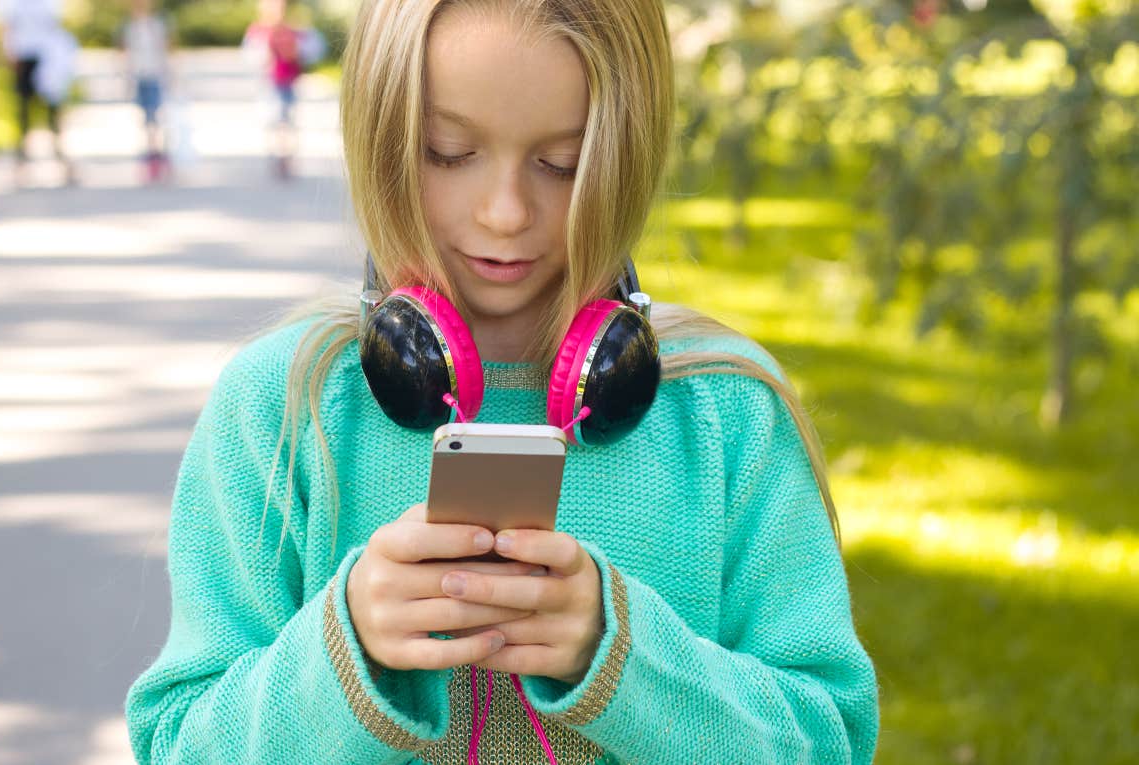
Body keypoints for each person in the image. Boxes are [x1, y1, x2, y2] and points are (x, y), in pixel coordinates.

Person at [125, 1, 879, 763]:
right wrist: (344, 651)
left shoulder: (726, 411)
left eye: (562, 162)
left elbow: (831, 739)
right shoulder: (283, 407)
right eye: (449, 151)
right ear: (382, 135)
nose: (506, 211)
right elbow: (179, 742)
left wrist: (620, 658)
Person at [0, 0, 75, 185]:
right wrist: (8, 53)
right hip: (23, 57)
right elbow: (6, 27)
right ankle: (21, 166)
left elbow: (55, 26)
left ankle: (62, 161)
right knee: (23, 113)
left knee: (53, 113)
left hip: (49, 59)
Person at [243, 0, 325, 180]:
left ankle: (286, 158)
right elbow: (251, 57)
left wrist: (296, 51)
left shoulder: (294, 31)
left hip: (288, 82)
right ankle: (277, 156)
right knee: (274, 120)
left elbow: (315, 49)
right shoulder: (259, 32)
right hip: (269, 83)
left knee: (287, 121)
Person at [121, 0, 174, 184]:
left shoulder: (156, 26)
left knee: (155, 118)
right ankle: (152, 156)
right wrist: (127, 78)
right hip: (140, 77)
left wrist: (170, 76)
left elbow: (166, 51)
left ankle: (158, 156)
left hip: (155, 76)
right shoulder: (130, 28)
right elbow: (127, 55)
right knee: (146, 120)